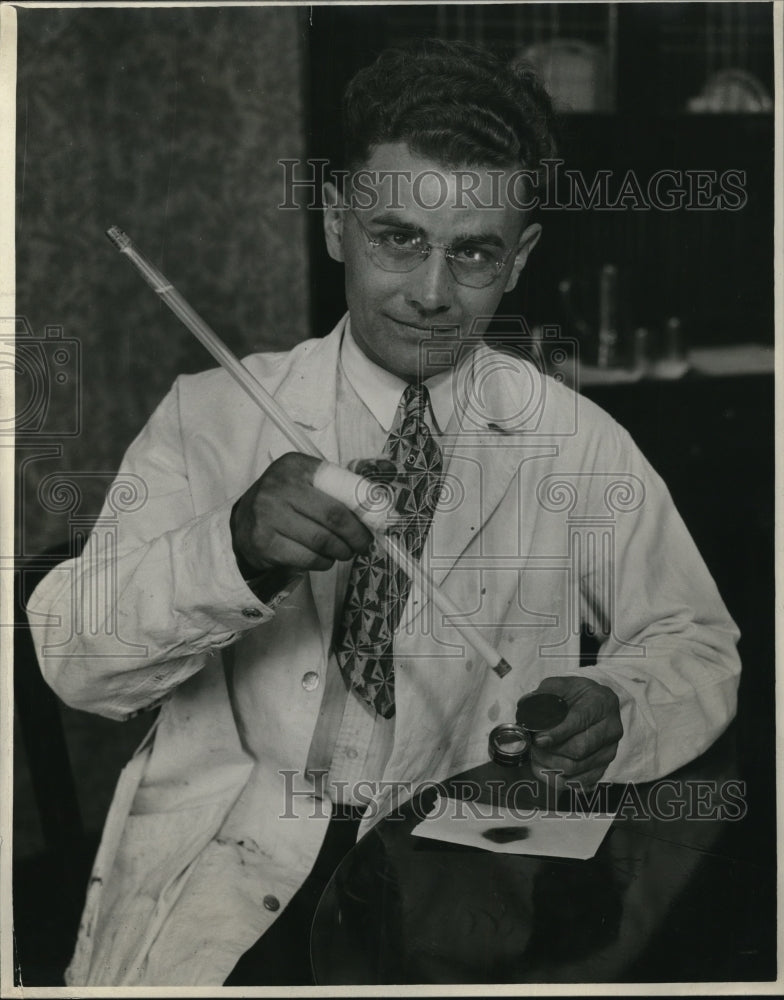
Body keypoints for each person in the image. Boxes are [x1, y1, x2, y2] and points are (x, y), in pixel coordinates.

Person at [28, 40, 740, 986]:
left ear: (519, 257)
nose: (432, 293)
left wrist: (617, 703)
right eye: (397, 238)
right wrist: (230, 551)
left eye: (474, 252)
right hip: (229, 866)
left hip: (465, 863)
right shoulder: (212, 414)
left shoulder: (579, 440)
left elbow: (697, 641)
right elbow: (77, 661)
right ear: (336, 224)